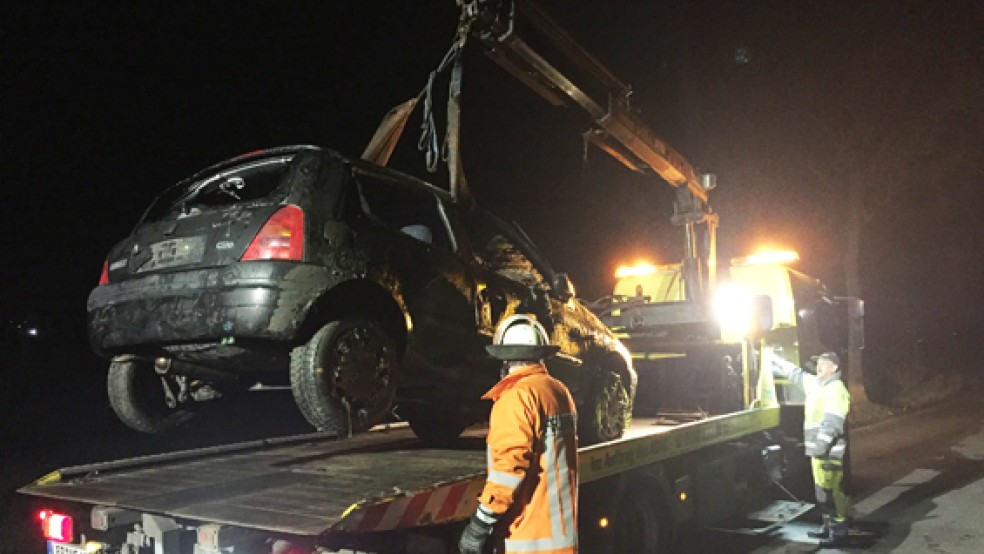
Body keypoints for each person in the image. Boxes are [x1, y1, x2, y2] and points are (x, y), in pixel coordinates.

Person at [458, 314, 578, 554]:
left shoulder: (515, 397)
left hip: (528, 539)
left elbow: (508, 471)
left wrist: (480, 525)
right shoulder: (559, 391)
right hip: (562, 539)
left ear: (504, 360)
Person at [773, 351, 851, 548]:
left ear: (835, 368)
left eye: (824, 364)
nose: (819, 367)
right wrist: (772, 359)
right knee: (822, 493)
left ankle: (839, 532)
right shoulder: (817, 385)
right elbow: (796, 374)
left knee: (831, 492)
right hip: (818, 452)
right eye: (818, 364)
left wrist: (821, 447)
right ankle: (828, 527)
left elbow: (833, 423)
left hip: (828, 452)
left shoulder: (836, 389)